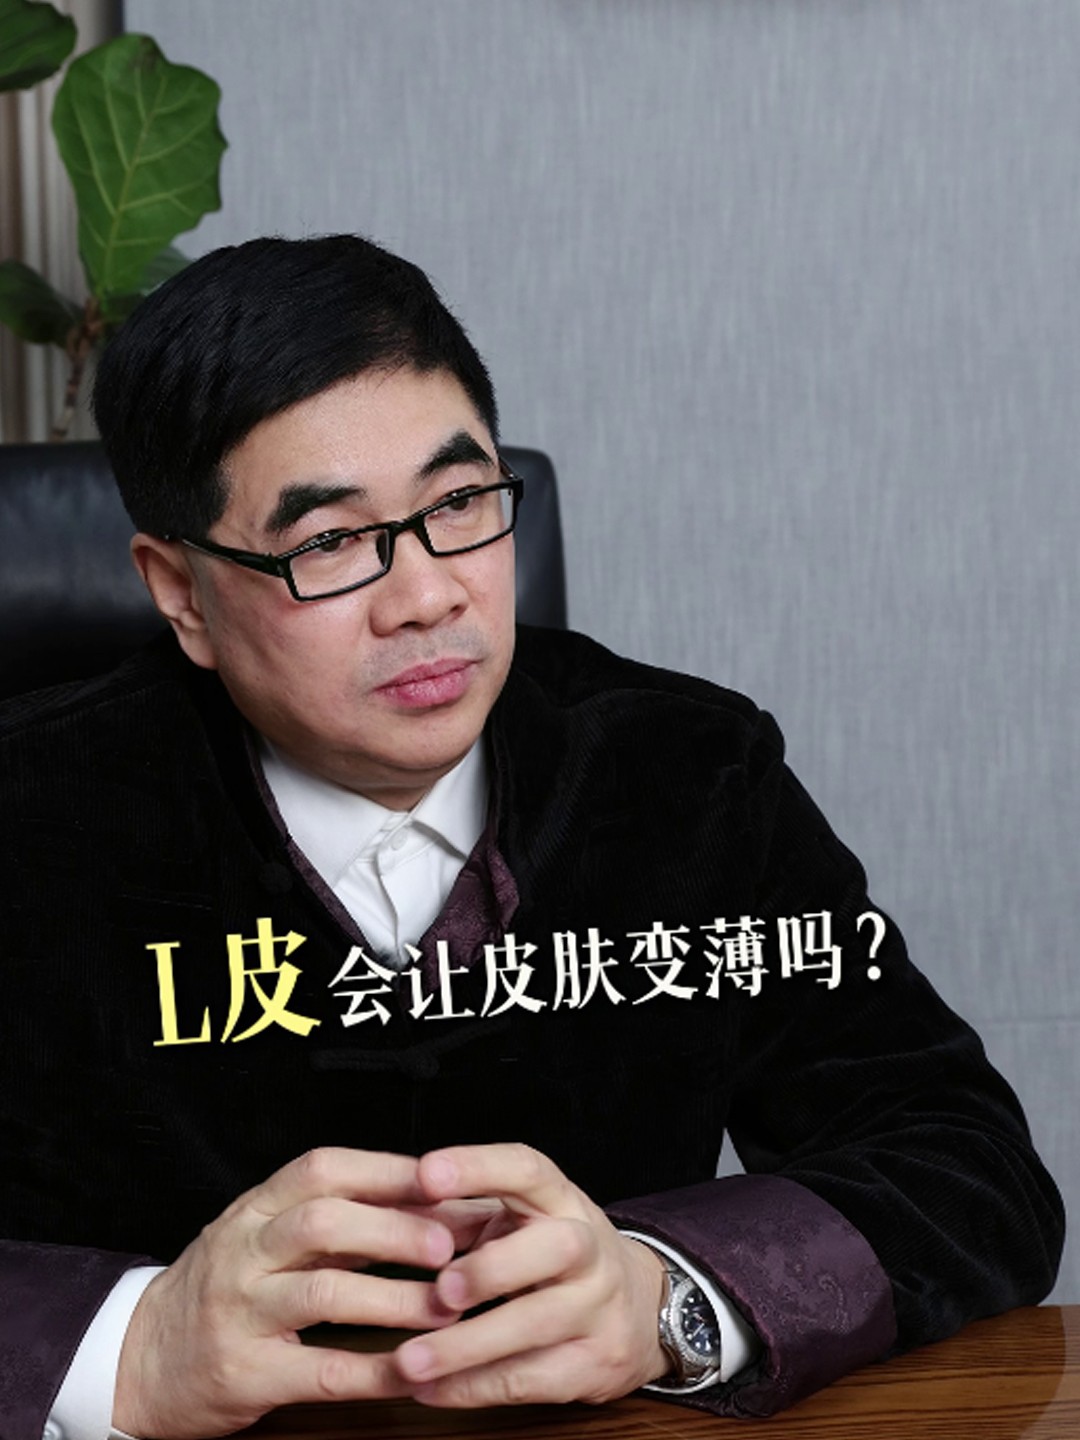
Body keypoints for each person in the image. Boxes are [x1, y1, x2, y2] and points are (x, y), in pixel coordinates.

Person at [0, 234, 1062, 1440]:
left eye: (459, 504)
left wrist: (665, 1296)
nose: (429, 597)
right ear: (181, 593)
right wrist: (132, 1343)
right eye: (329, 542)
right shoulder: (30, 815)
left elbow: (967, 1163)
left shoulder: (690, 772)